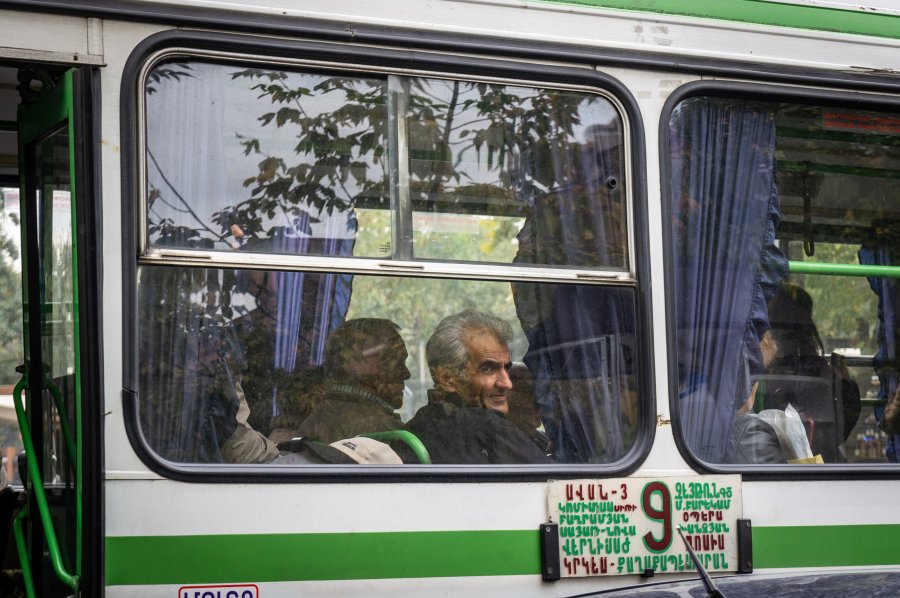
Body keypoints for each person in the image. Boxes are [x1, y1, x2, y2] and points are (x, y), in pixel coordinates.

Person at [406, 310, 554, 464]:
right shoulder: (487, 428)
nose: (507, 383)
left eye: (506, 368)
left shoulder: (418, 426)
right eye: (488, 369)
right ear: (447, 378)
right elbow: (559, 482)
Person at [284, 318, 410, 444]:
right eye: (395, 362)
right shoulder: (384, 431)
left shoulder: (316, 418)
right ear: (354, 365)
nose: (406, 374)